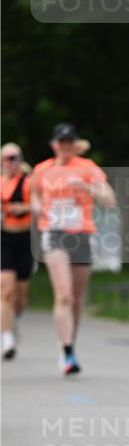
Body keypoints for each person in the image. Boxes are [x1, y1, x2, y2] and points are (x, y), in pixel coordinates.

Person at [31, 123, 116, 374]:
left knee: (76, 299)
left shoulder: (87, 167)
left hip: (82, 234)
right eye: (61, 141)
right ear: (54, 144)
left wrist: (86, 187)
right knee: (65, 295)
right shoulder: (42, 169)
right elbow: (34, 195)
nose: (65, 145)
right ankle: (67, 352)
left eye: (69, 141)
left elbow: (110, 200)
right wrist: (38, 207)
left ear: (74, 143)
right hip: (54, 233)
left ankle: (68, 344)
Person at [1, 143, 33, 360]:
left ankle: (11, 321)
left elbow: (44, 206)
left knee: (20, 298)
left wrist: (25, 208)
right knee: (6, 290)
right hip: (4, 238)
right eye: (8, 158)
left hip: (26, 239)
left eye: (15, 158)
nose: (11, 162)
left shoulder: (30, 183)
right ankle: (7, 338)